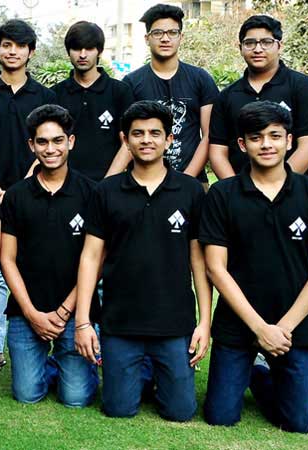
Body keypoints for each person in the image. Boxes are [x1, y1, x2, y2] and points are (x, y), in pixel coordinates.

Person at [201, 101, 308, 433]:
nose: (266, 144)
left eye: (275, 136)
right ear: (242, 144)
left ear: (289, 140)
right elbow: (216, 268)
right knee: (221, 416)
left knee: (298, 422)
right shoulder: (223, 194)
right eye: (256, 137)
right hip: (237, 324)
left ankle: (263, 374)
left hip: (293, 327)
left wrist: (282, 328)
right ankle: (252, 369)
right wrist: (259, 328)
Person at [74, 100, 212, 422]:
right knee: (118, 409)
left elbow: (199, 262)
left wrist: (204, 323)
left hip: (173, 323)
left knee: (180, 412)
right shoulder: (106, 191)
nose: (146, 140)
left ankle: (153, 372)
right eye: (137, 133)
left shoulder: (191, 191)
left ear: (169, 139)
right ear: (125, 139)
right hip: (121, 322)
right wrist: (83, 321)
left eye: (155, 133)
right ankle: (141, 372)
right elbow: (91, 257)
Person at [0, 19, 56, 371]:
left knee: (32, 265)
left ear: (30, 52)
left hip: (33, 192)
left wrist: (20, 187)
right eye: (6, 45)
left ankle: (45, 337)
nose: (13, 51)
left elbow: (48, 149)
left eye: (20, 46)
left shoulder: (45, 97)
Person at [0, 105, 100, 407]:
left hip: (76, 310)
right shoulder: (16, 196)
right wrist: (31, 313)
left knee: (76, 398)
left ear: (71, 141)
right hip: (27, 312)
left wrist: (65, 312)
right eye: (42, 142)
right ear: (31, 145)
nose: (50, 149)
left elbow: (95, 261)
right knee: (27, 394)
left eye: (58, 140)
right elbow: (7, 259)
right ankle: (53, 364)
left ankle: (68, 365)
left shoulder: (92, 193)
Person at [208, 15, 308, 180]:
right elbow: (217, 152)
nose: (258, 49)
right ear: (240, 47)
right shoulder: (227, 96)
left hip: (292, 189)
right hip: (240, 191)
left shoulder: (303, 87)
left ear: (279, 46)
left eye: (266, 42)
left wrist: (279, 186)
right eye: (250, 43)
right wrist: (235, 190)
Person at [124, 4, 218, 182]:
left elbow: (209, 135)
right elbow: (128, 138)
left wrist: (186, 180)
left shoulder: (201, 79)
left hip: (194, 181)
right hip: (144, 182)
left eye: (172, 33)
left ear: (181, 37)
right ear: (147, 38)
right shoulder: (131, 83)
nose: (165, 38)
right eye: (157, 33)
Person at [53, 21, 134, 180]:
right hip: (65, 186)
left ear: (99, 51)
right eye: (76, 48)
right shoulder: (55, 94)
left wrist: (107, 184)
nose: (83, 55)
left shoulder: (120, 92)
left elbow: (129, 143)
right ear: (68, 51)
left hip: (109, 184)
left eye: (89, 48)